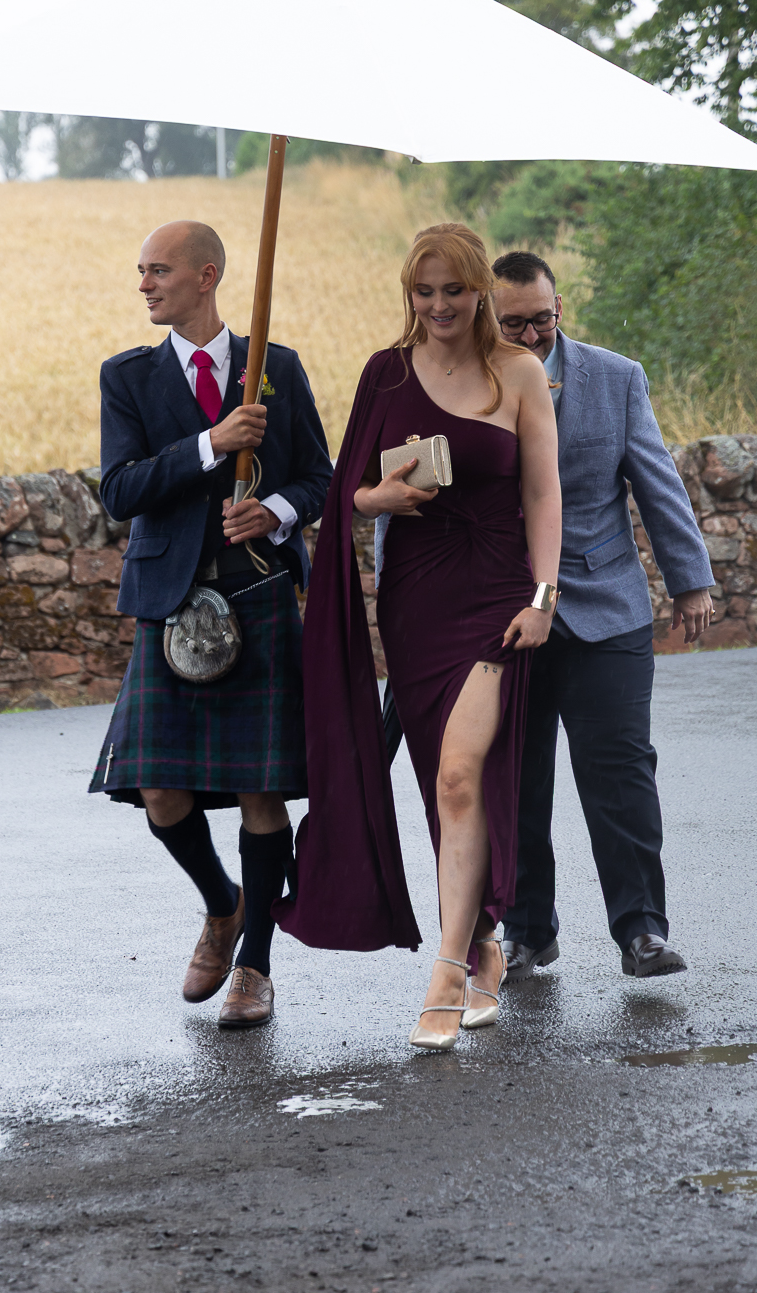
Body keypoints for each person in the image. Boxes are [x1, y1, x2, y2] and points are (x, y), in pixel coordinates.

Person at [276, 224, 561, 1051]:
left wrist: (544, 597)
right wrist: (377, 501)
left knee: (462, 776)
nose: (438, 306)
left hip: (499, 590)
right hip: (416, 599)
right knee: (444, 784)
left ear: (480, 292)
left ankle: (446, 969)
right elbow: (348, 489)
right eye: (423, 291)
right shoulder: (386, 373)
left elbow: (543, 495)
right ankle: (484, 943)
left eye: (453, 290)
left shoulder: (520, 371)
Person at [91, 220, 332, 1028]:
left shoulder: (275, 370)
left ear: (206, 275)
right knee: (159, 789)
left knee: (261, 791)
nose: (144, 285)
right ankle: (222, 905)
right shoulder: (127, 376)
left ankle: (256, 965)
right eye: (141, 271)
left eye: (158, 270)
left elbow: (320, 479)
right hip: (170, 603)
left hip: (258, 594)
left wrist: (277, 510)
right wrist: (211, 443)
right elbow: (119, 490)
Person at [491, 250, 715, 979]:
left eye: (542, 320)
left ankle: (642, 931)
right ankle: (527, 931)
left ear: (560, 309)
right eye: (513, 325)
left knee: (621, 774)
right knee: (515, 781)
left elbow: (657, 480)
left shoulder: (617, 378)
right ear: (490, 318)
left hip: (607, 608)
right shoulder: (464, 382)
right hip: (506, 615)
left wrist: (690, 581)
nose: (531, 336)